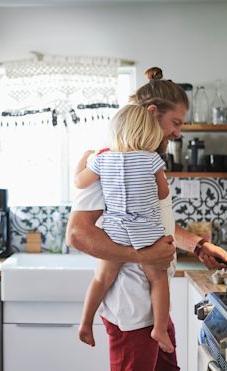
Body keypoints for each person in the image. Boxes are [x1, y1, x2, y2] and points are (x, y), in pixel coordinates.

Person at [66, 67, 227, 371]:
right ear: (153, 113)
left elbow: (157, 223)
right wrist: (144, 256)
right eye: (177, 123)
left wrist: (197, 246)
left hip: (154, 305)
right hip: (130, 306)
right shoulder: (107, 162)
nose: (179, 132)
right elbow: (77, 236)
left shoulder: (146, 161)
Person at [75, 103, 175, 354]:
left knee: (101, 278)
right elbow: (164, 193)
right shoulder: (153, 159)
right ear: (149, 133)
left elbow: (79, 182)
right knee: (158, 278)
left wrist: (83, 160)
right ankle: (160, 329)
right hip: (147, 233)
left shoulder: (102, 159)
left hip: (115, 231)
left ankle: (86, 323)